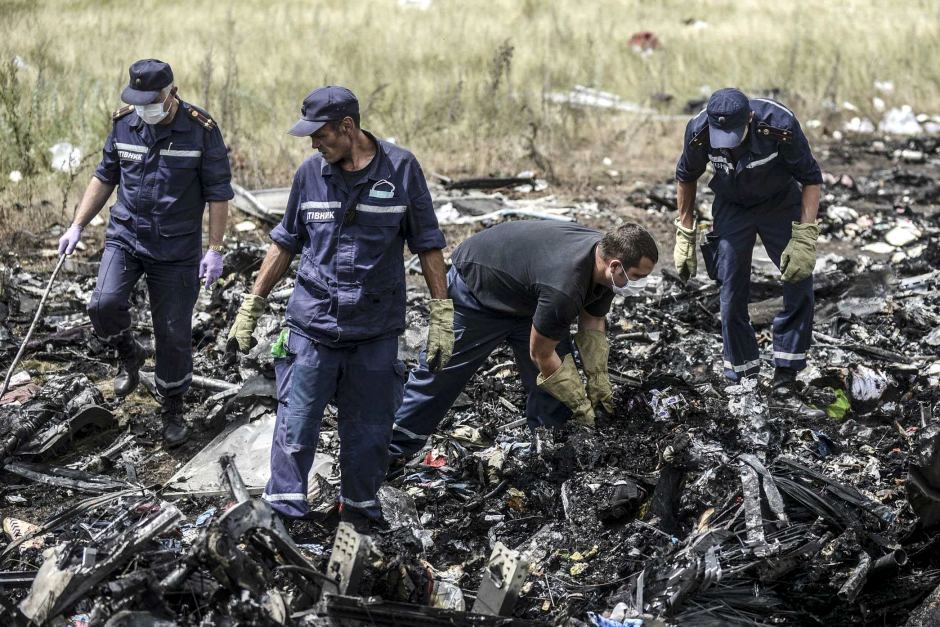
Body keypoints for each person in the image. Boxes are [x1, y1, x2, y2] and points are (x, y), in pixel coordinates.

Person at [226, 86, 451, 531]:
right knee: (296, 426)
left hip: (375, 330)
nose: (313, 143)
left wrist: (442, 315)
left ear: (347, 128)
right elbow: (284, 243)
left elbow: (428, 244)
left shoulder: (401, 170)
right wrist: (252, 304)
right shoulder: (310, 174)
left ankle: (360, 517)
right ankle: (283, 518)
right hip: (313, 326)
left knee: (369, 435)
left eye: (320, 134)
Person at [57, 59, 232, 446]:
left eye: (151, 101)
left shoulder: (201, 130)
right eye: (138, 101)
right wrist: (77, 224)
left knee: (172, 333)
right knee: (103, 303)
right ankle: (129, 353)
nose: (144, 109)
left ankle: (172, 408)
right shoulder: (125, 123)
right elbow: (105, 175)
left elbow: (218, 192)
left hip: (176, 247)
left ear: (172, 92)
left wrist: (215, 248)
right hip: (126, 236)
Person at [388, 220, 658, 462]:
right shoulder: (565, 287)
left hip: (530, 293)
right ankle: (392, 448)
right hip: (479, 287)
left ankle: (551, 448)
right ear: (614, 265)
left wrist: (598, 378)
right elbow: (541, 354)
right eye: (638, 277)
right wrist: (579, 401)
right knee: (442, 372)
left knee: (553, 390)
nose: (640, 283)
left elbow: (593, 321)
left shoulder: (606, 263)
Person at [673, 87, 824, 414]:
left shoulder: (779, 123)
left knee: (798, 280)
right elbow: (686, 176)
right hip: (732, 206)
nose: (728, 141)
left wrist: (806, 234)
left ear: (750, 119)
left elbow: (811, 178)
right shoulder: (700, 132)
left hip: (779, 203)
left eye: (734, 134)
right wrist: (684, 231)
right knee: (730, 289)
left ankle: (785, 378)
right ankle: (744, 379)